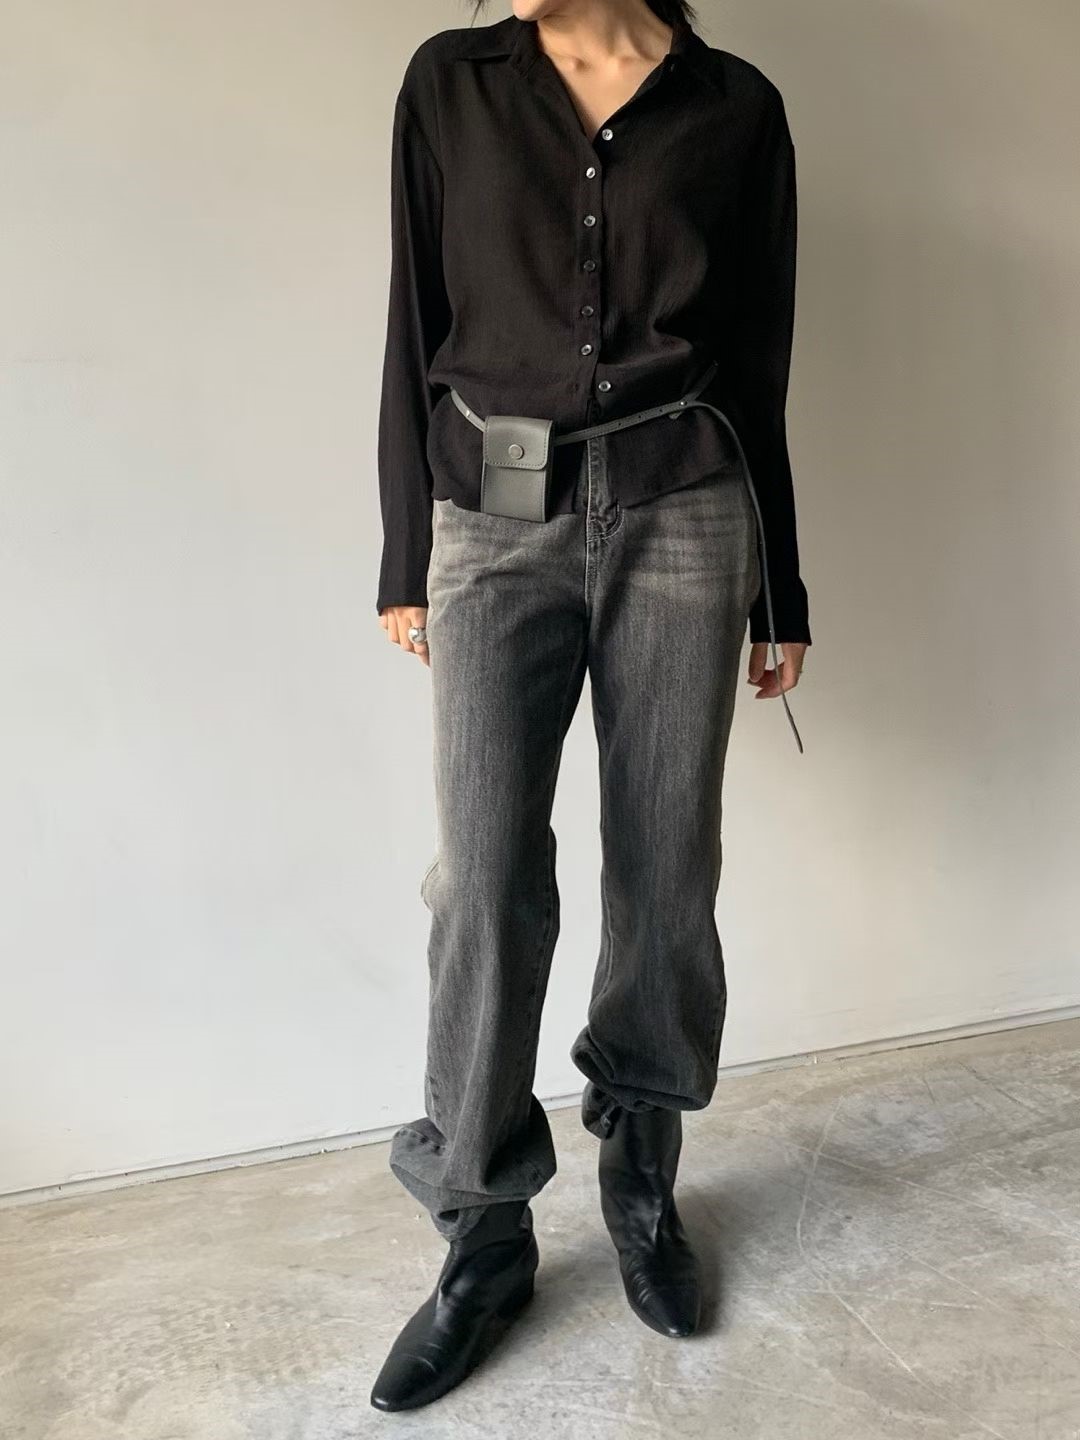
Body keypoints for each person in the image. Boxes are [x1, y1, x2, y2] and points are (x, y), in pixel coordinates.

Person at [371, 0, 811, 1412]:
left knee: (668, 864)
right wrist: (403, 551)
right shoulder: (451, 81)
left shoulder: (735, 109)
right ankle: (481, 1226)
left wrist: (781, 583)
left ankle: (642, 1159)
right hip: (491, 515)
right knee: (484, 874)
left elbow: (757, 357)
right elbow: (415, 320)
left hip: (686, 509)